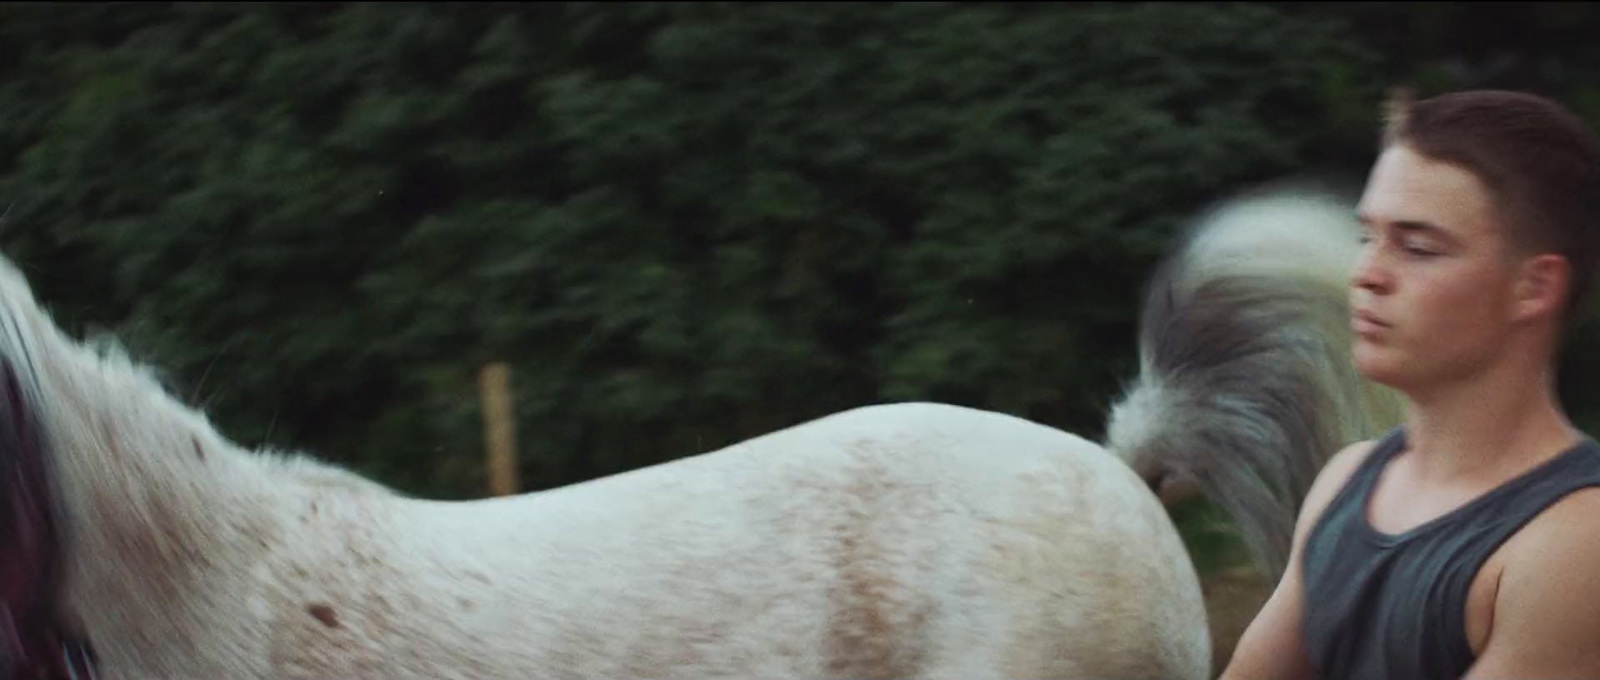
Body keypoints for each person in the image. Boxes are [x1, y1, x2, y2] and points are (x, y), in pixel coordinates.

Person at [1220, 87, 1600, 680]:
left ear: (1535, 288)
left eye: (1418, 248)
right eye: (1366, 237)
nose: (1366, 275)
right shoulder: (1346, 481)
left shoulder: (1576, 543)